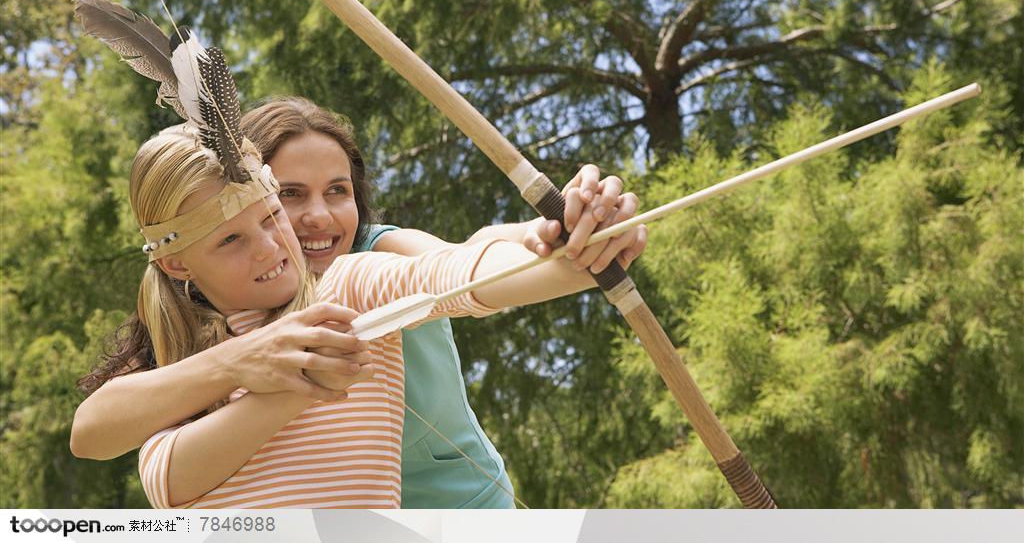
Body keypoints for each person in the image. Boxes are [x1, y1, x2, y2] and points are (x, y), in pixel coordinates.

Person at [73, 98, 646, 508]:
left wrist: (571, 242)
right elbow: (118, 448)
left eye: (272, 215)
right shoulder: (180, 354)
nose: (280, 241)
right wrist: (251, 364)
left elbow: (461, 268)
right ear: (178, 264)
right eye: (291, 197)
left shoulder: (354, 274)